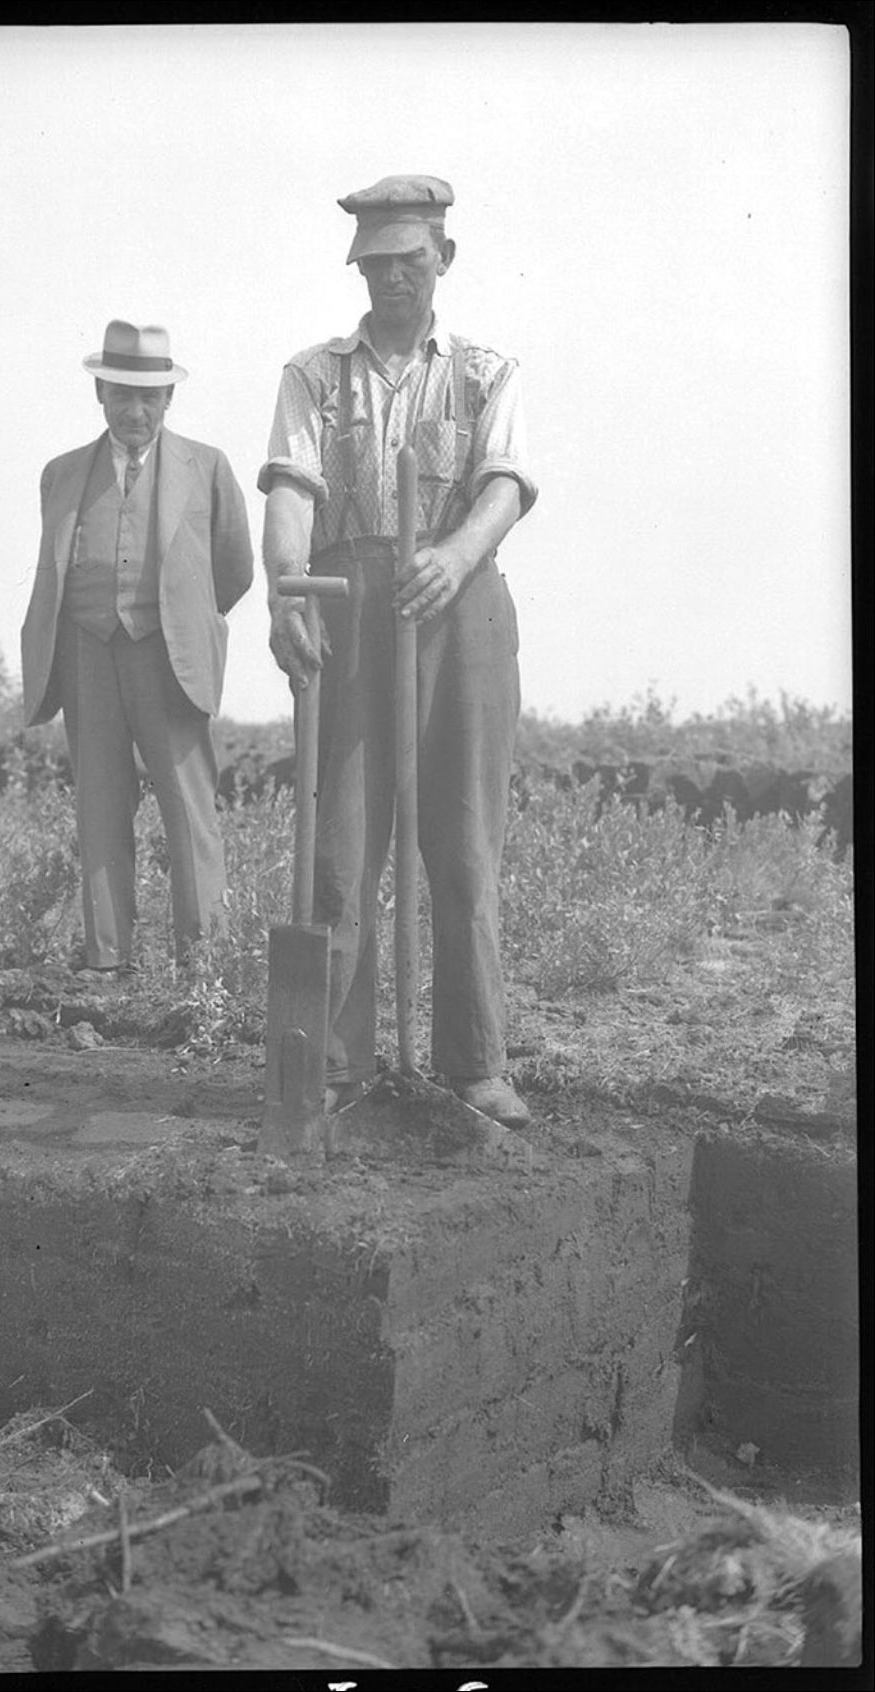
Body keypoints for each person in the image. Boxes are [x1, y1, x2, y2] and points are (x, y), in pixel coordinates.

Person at [259, 176, 536, 1128]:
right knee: (340, 854)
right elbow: (289, 493)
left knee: (462, 847)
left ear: (442, 259)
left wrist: (455, 556)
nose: (392, 278)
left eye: (409, 260)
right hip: (350, 610)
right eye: (375, 264)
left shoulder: (486, 372)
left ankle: (474, 1065)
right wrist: (286, 587)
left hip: (460, 611)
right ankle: (333, 1068)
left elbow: (505, 484)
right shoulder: (312, 375)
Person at [22, 320, 253, 975]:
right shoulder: (61, 474)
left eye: (149, 396)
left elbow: (234, 570)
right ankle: (106, 961)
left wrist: (180, 620)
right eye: (122, 394)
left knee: (190, 807)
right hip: (87, 653)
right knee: (99, 805)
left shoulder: (207, 467)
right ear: (100, 392)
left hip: (168, 658)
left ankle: (203, 967)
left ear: (169, 398)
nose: (135, 410)